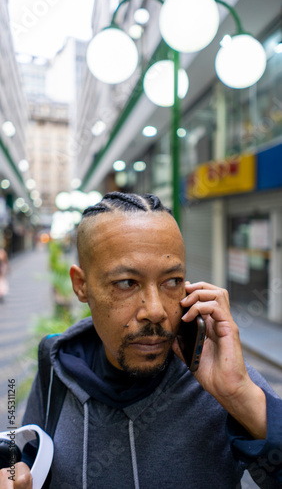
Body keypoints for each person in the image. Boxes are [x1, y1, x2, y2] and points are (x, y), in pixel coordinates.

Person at [1, 191, 282, 488]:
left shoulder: (224, 382)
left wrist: (240, 397)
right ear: (81, 286)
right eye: (126, 283)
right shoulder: (56, 366)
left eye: (171, 282)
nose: (156, 311)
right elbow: (30, 456)